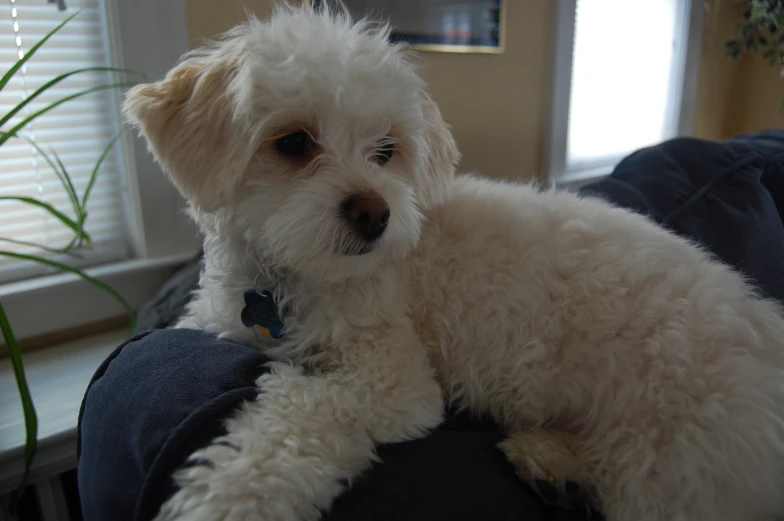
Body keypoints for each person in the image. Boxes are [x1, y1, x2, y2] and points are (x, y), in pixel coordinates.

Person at [77, 130, 784, 521]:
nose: (367, 194)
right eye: (297, 144)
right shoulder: (254, 271)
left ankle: (588, 455)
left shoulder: (371, 271)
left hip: (695, 395)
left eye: (384, 154)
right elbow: (227, 321)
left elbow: (401, 394)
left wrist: (257, 479)